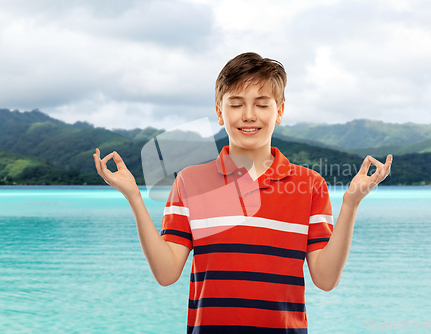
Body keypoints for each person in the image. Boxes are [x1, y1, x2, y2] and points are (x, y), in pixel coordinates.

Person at [93, 52, 392, 333]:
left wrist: (351, 203)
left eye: (262, 104)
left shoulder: (310, 184)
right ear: (219, 113)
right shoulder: (190, 182)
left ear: (280, 112)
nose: (249, 115)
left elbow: (326, 279)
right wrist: (133, 196)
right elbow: (166, 272)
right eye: (236, 104)